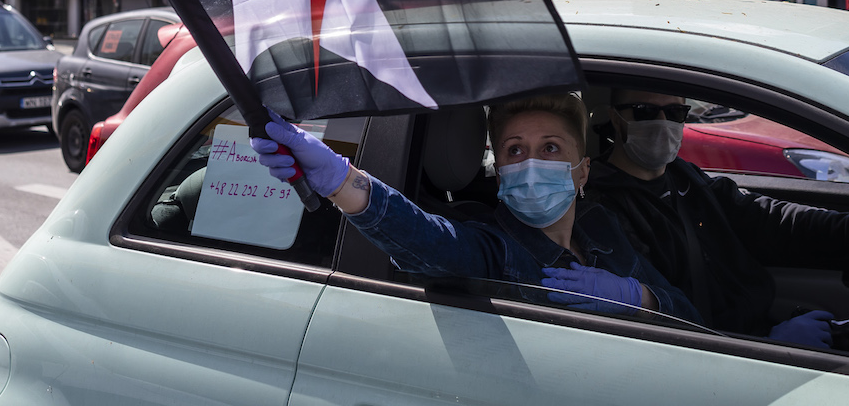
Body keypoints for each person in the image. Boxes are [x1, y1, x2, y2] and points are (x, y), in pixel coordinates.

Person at [250, 92, 700, 322]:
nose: (531, 164)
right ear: (499, 169)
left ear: (582, 172)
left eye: (550, 148)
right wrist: (343, 182)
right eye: (515, 151)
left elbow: (688, 315)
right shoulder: (490, 242)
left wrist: (636, 296)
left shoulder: (602, 229)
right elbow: (431, 241)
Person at [585, 89, 849, 349]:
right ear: (616, 119)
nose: (663, 122)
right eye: (645, 112)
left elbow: (770, 221)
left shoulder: (685, 178)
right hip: (727, 353)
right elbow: (664, 314)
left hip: (758, 334)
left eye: (674, 111)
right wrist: (764, 344)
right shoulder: (604, 208)